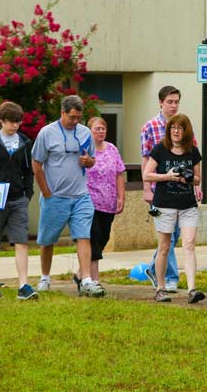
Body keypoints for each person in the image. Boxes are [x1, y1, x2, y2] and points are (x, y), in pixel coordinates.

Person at [32, 95, 103, 297]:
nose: (75, 121)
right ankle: (45, 277)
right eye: (72, 117)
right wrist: (46, 192)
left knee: (83, 235)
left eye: (79, 117)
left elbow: (92, 161)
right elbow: (36, 164)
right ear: (62, 112)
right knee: (47, 240)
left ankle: (87, 280)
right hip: (55, 197)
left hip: (81, 195)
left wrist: (87, 161)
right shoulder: (47, 133)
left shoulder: (85, 133)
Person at [141, 86, 199, 293]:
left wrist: (193, 183)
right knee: (167, 241)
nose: (173, 106)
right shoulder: (150, 127)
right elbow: (146, 160)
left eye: (176, 102)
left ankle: (163, 274)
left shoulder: (187, 131)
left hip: (184, 198)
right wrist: (147, 188)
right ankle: (167, 279)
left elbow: (195, 168)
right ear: (161, 102)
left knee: (181, 240)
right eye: (170, 102)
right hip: (162, 195)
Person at [0, 102, 37, 300]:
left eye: (18, 122)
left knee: (21, 241)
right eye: (10, 122)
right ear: (1, 121)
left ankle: (23, 285)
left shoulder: (24, 143)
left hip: (18, 200)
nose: (15, 126)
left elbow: (28, 172)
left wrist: (27, 195)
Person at [84, 117, 125, 288]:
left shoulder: (112, 149)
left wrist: (121, 197)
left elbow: (119, 174)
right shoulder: (85, 150)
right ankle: (94, 280)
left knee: (104, 238)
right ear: (89, 131)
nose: (101, 131)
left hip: (108, 203)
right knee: (94, 239)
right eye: (97, 128)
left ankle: (81, 274)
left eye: (103, 128)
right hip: (89, 202)